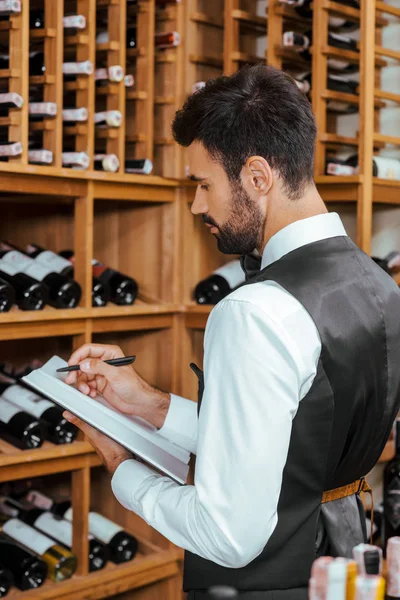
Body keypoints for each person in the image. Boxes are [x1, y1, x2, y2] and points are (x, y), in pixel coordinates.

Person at [64, 64, 400, 599]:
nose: (197, 204)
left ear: (258, 176)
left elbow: (228, 534)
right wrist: (148, 406)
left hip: (265, 586)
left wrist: (121, 464)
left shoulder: (254, 312)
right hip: (339, 572)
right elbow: (287, 439)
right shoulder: (379, 285)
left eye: (203, 184)